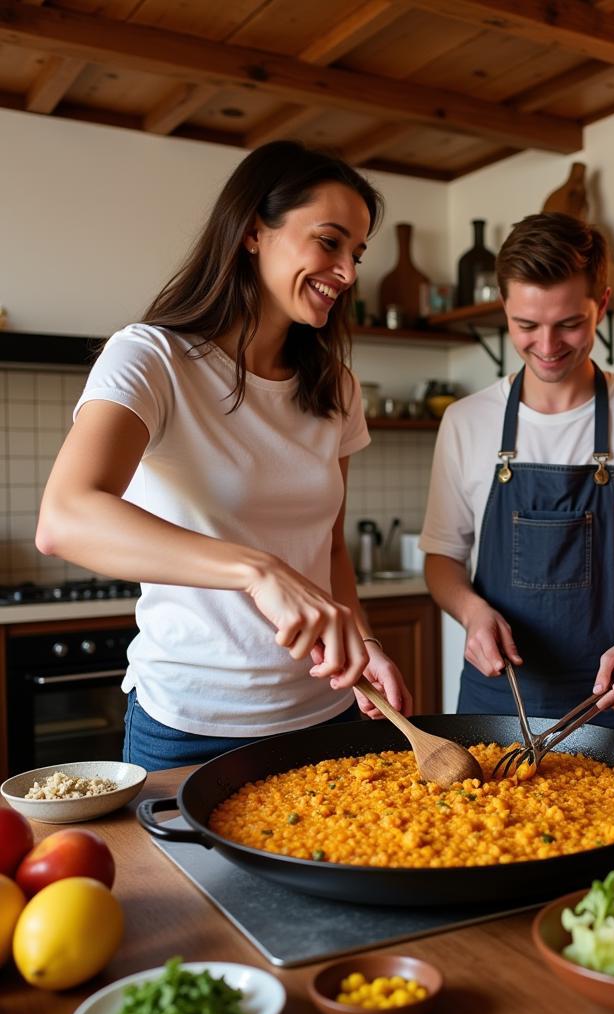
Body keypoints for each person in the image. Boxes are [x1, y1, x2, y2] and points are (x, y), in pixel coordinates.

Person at [36, 141, 412, 772]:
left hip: (327, 715)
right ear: (252, 233)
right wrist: (256, 569)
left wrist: (366, 642)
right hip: (189, 725)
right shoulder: (152, 359)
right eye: (329, 242)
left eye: (357, 253)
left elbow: (332, 548)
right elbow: (66, 518)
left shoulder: (336, 387)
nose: (348, 273)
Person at [421, 213, 614, 732]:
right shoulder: (466, 422)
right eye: (526, 325)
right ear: (504, 307)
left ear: (603, 304)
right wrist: (471, 613)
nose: (547, 346)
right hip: (496, 697)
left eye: (569, 323)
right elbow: (442, 559)